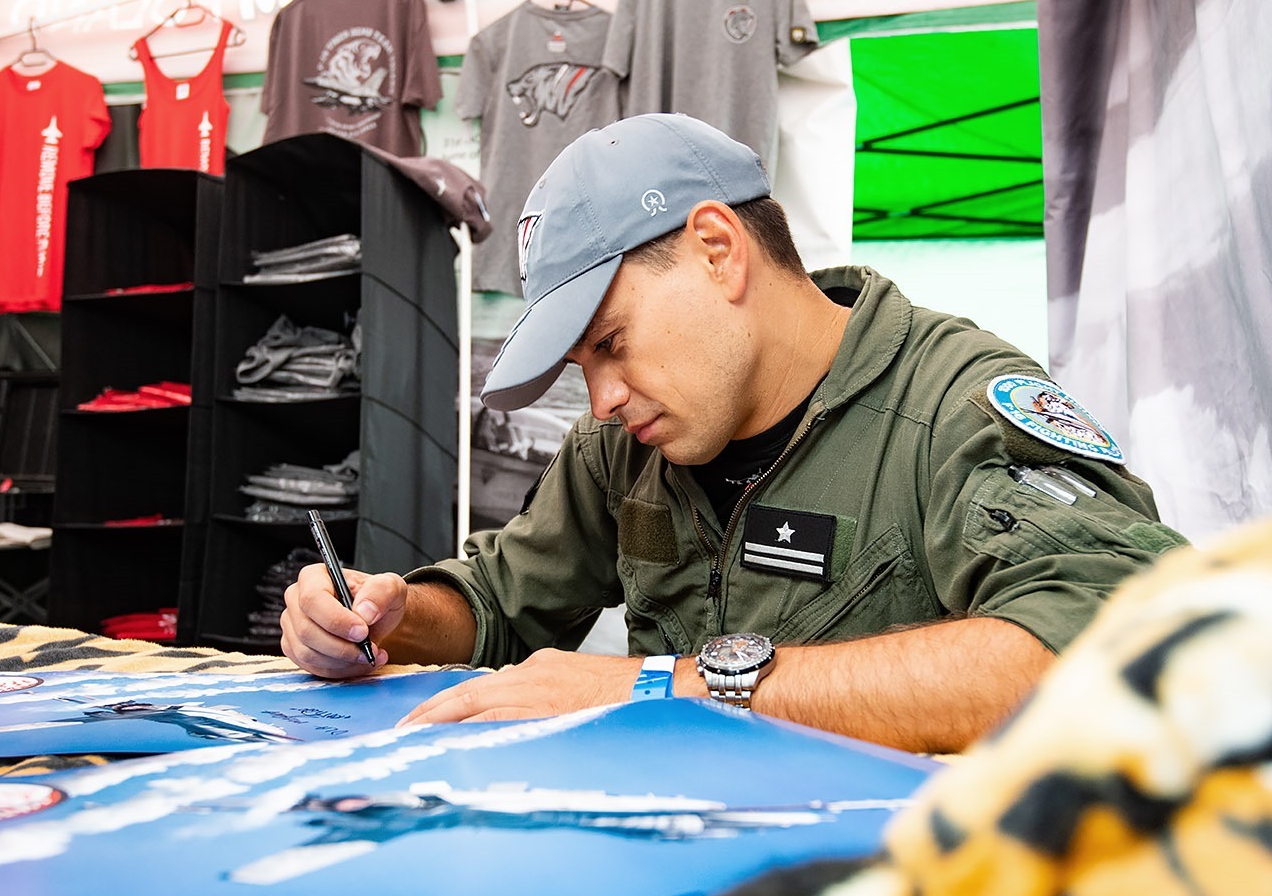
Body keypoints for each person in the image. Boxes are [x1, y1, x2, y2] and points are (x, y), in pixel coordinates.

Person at [281, 113, 1187, 754]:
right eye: (581, 370)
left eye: (611, 345)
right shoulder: (625, 447)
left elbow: (1125, 652)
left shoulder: (952, 409)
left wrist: (658, 689)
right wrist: (386, 620)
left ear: (718, 250)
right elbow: (499, 599)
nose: (600, 400)